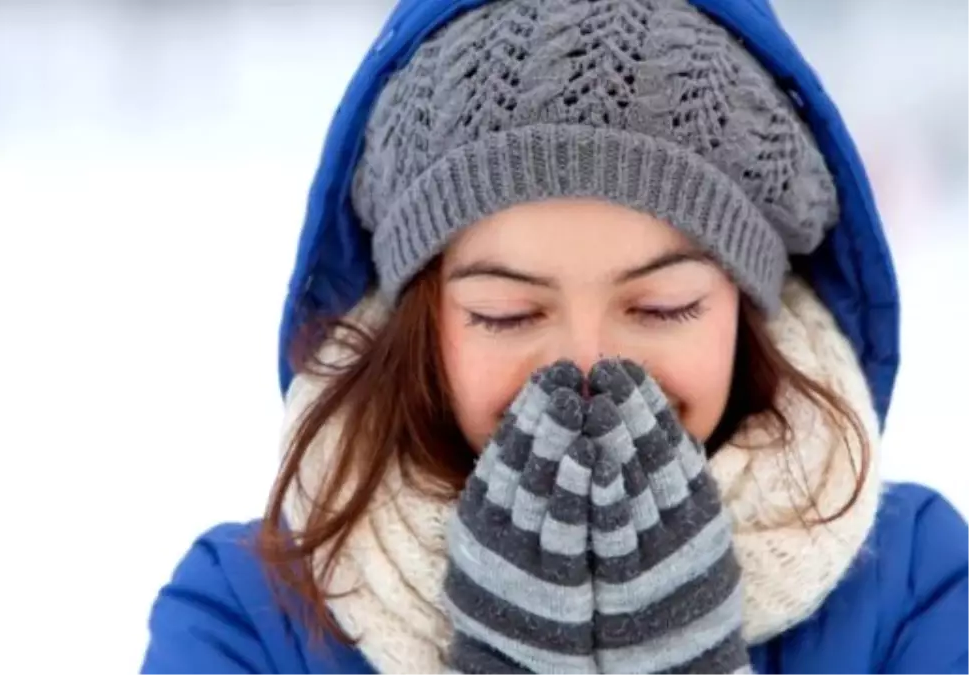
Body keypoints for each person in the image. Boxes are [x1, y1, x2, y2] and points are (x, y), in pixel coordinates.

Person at [140, 0, 969, 672]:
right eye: (507, 313)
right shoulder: (246, 618)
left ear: (746, 308)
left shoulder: (916, 586)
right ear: (420, 326)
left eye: (664, 305)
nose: (585, 368)